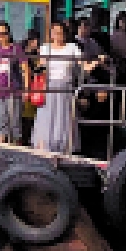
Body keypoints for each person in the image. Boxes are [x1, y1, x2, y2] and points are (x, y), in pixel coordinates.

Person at [30, 22, 84, 154]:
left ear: (65, 34)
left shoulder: (72, 47)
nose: (57, 35)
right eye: (54, 32)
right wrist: (38, 69)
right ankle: (43, 148)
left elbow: (83, 64)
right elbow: (41, 66)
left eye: (60, 32)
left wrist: (96, 61)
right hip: (49, 87)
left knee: (64, 118)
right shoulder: (45, 48)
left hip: (66, 87)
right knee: (45, 117)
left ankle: (64, 149)